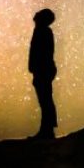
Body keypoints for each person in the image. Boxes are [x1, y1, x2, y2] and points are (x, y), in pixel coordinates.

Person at [28, 8, 57, 139]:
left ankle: (47, 131)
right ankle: (46, 129)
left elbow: (44, 53)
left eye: (38, 14)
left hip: (43, 69)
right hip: (42, 69)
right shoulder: (41, 31)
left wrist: (37, 68)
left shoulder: (43, 31)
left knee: (45, 100)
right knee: (44, 100)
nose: (35, 14)